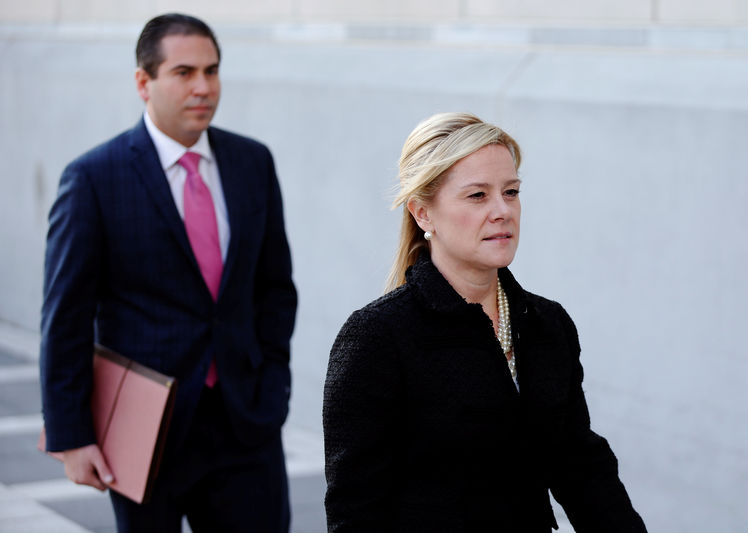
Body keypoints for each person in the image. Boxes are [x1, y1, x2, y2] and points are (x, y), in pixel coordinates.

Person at [323, 112, 647, 532]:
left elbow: (581, 466)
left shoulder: (547, 324)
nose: (502, 211)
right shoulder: (377, 337)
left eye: (511, 192)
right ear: (423, 213)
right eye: (478, 196)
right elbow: (356, 514)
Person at [39, 13, 296, 532]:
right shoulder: (93, 178)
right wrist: (71, 435)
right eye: (184, 72)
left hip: (245, 422)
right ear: (143, 82)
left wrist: (274, 384)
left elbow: (275, 288)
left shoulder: (252, 162)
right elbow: (65, 316)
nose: (203, 87)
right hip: (144, 429)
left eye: (212, 70)